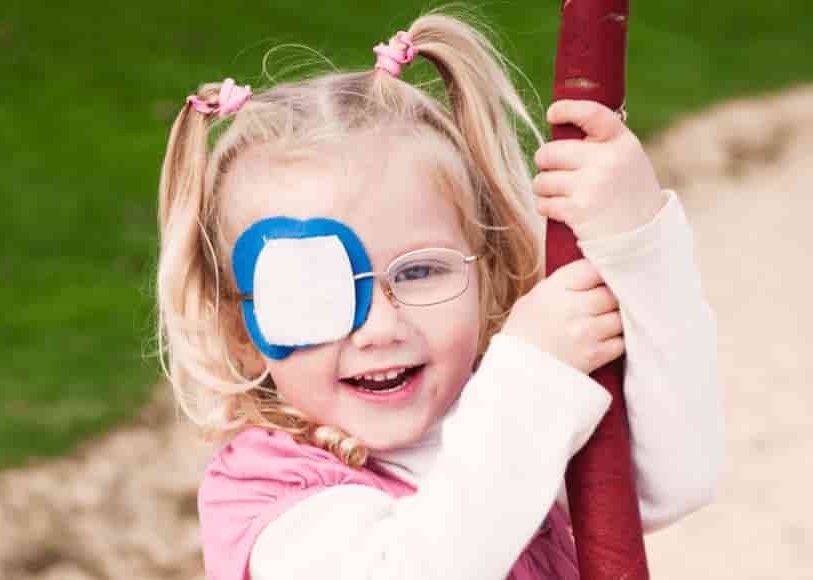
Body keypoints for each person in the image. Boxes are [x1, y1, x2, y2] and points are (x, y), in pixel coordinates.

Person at [155, 10, 723, 580]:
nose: (379, 327)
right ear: (242, 332)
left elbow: (671, 480)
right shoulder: (269, 497)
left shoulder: (499, 413)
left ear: (489, 278)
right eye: (311, 290)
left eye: (420, 271)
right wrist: (531, 377)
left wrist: (641, 245)